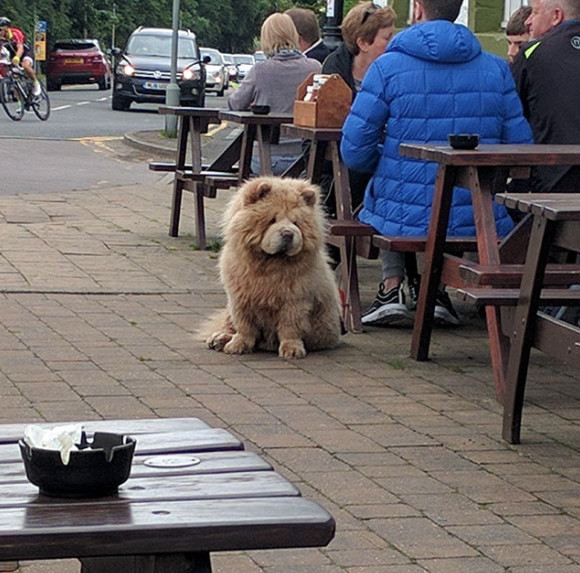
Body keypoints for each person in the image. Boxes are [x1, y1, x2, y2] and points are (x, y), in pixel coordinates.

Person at [340, 0, 533, 327]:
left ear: (417, 8)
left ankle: (393, 285)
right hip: (474, 210)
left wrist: (388, 163)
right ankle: (439, 291)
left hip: (400, 207)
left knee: (384, 198)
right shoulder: (496, 68)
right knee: (454, 208)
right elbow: (520, 146)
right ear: (457, 9)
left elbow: (354, 148)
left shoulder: (387, 68)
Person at [321, 1, 397, 213]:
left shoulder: (394, 71)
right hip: (341, 161)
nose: (394, 42)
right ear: (363, 43)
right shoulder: (333, 70)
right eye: (387, 37)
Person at [228, 13, 321, 175]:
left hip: (266, 158)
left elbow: (235, 104)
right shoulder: (315, 69)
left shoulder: (260, 71)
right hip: (305, 158)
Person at [511, 0, 580, 192]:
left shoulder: (532, 53)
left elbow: (511, 114)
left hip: (553, 179)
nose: (528, 21)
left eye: (535, 12)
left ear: (556, 16)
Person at [0, 17, 41, 97]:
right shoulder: (0, 40)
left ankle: (35, 82)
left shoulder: (16, 33)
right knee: (14, 80)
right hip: (14, 56)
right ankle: (21, 104)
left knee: (25, 65)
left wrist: (17, 58)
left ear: (6, 28)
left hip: (25, 52)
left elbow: (20, 48)